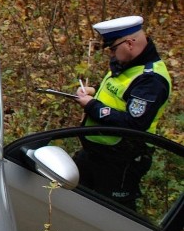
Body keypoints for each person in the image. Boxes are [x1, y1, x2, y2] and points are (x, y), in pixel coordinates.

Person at [72, 15, 172, 210]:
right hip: (94, 154)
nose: (111, 53)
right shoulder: (126, 64)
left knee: (111, 216)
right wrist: (93, 92)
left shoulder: (151, 80)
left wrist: (92, 106)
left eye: (113, 48)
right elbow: (118, 95)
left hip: (119, 162)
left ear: (130, 43)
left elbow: (133, 124)